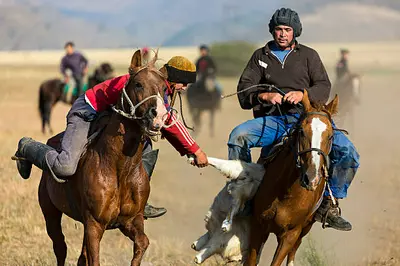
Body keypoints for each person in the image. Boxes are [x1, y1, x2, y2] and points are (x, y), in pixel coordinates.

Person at [14, 55, 208, 219]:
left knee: (144, 148)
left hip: (110, 116)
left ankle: (139, 202)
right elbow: (169, 122)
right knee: (65, 166)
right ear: (173, 78)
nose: (184, 88)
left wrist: (187, 150)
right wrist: (195, 150)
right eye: (184, 83)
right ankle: (28, 148)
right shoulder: (145, 85)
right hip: (88, 110)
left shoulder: (158, 87)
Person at [227, 8, 360, 231]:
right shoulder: (260, 56)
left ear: (295, 31)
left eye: (287, 29)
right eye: (278, 29)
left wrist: (302, 94)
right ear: (272, 31)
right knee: (238, 135)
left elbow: (323, 86)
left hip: (308, 121)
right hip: (275, 121)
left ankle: (329, 204)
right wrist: (264, 95)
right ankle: (243, 196)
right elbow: (243, 91)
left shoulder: (309, 55)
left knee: (348, 152)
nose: (282, 34)